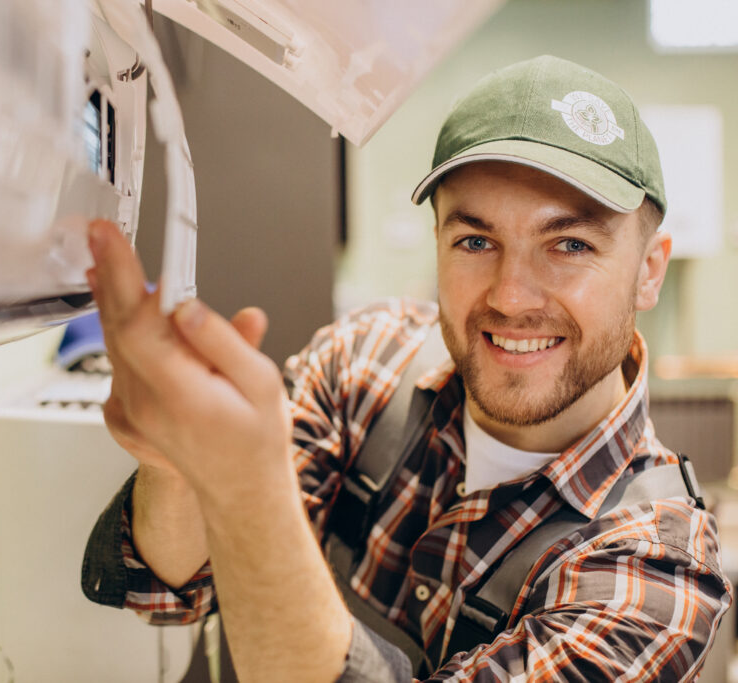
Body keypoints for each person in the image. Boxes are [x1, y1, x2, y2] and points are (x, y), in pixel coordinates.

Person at [80, 55, 732, 681]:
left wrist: (245, 486)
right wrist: (178, 463)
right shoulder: (366, 363)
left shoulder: (656, 574)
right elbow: (163, 586)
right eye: (475, 240)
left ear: (649, 270)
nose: (510, 295)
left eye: (569, 244)